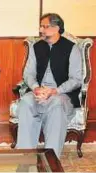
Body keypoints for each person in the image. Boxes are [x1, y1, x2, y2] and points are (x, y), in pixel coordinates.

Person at [16, 13, 82, 158]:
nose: (41, 30)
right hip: (38, 93)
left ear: (56, 28)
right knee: (26, 101)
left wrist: (55, 91)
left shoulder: (72, 48)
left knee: (56, 105)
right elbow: (28, 74)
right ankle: (25, 158)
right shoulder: (36, 47)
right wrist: (35, 88)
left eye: (45, 27)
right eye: (41, 26)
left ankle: (51, 160)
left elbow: (76, 79)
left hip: (61, 94)